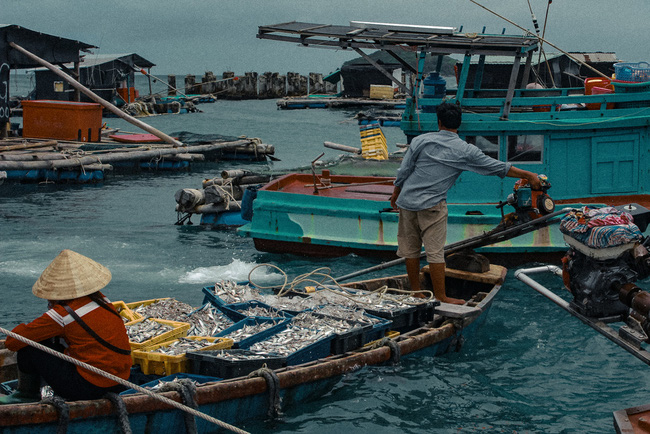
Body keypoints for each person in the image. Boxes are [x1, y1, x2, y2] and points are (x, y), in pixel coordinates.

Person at [390, 102, 541, 305]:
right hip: (432, 205)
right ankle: (441, 296)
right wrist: (528, 174)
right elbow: (496, 167)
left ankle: (416, 292)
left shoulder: (420, 141)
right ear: (458, 124)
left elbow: (404, 171)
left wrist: (395, 194)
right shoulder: (465, 150)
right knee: (435, 252)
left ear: (439, 121)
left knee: (410, 249)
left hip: (407, 201)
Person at [0, 249, 132, 404]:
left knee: (29, 348)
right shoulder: (102, 301)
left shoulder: (62, 315)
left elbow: (12, 342)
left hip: (90, 386)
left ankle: (26, 394)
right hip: (120, 380)